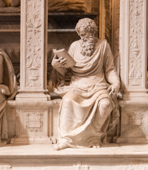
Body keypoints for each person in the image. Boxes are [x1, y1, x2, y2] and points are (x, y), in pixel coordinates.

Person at [51, 18, 120, 150]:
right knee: (67, 101)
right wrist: (56, 65)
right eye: (80, 35)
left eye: (84, 34)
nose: (82, 38)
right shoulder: (74, 46)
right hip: (77, 85)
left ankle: (93, 137)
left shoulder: (103, 45)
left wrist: (116, 83)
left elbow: (110, 69)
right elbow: (65, 70)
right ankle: (67, 139)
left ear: (92, 32)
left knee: (105, 105)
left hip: (98, 85)